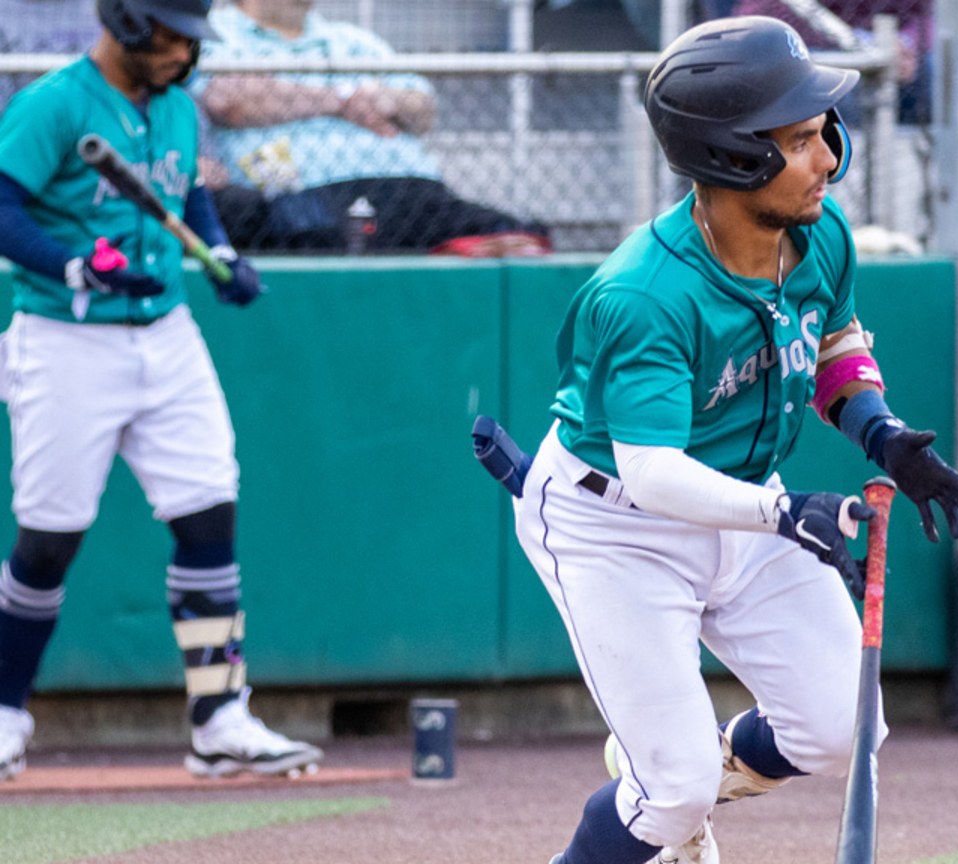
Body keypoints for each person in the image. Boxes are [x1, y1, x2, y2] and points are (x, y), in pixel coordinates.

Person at [515, 17, 958, 864]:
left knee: (847, 731)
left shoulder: (820, 233)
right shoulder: (643, 295)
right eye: (801, 139)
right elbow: (654, 474)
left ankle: (674, 763)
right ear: (733, 156)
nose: (829, 159)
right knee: (672, 795)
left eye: (823, 132)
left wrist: (879, 434)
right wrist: (781, 511)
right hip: (616, 525)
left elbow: (835, 342)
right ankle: (666, 786)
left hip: (746, 502)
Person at [0, 0, 323, 780]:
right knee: (50, 536)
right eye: (173, 37)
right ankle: (6, 713)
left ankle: (220, 720)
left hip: (167, 334)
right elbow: (2, 203)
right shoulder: (55, 102)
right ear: (131, 26)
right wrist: (74, 264)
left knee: (208, 511)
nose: (185, 52)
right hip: (65, 337)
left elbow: (189, 199)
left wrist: (219, 254)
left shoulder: (175, 107)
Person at [191, 0, 550, 255]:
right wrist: (345, 98)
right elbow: (228, 99)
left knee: (522, 236)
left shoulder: (353, 39)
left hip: (414, 188)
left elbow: (422, 105)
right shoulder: (214, 31)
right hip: (309, 196)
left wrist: (386, 100)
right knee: (318, 236)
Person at [727, 0, 935, 124]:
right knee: (839, 90)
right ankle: (842, 179)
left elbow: (925, 15)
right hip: (813, 46)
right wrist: (859, 44)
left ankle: (934, 185)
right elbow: (770, 14)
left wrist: (907, 44)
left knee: (934, 75)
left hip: (889, 45)